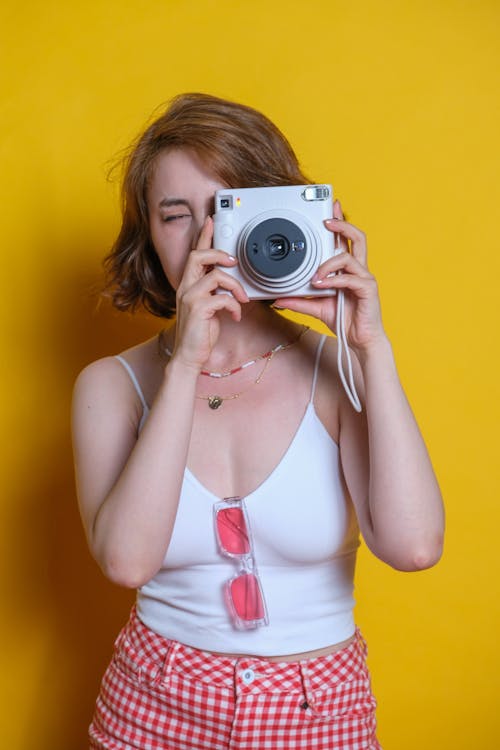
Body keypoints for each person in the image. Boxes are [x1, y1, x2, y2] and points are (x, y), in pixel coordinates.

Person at [72, 92, 444, 750]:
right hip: (152, 707)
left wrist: (370, 347)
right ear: (148, 236)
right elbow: (127, 560)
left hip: (318, 711)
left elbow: (413, 547)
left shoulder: (336, 371)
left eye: (226, 209)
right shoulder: (112, 385)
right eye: (174, 216)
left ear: (275, 214)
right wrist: (186, 362)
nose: (204, 239)